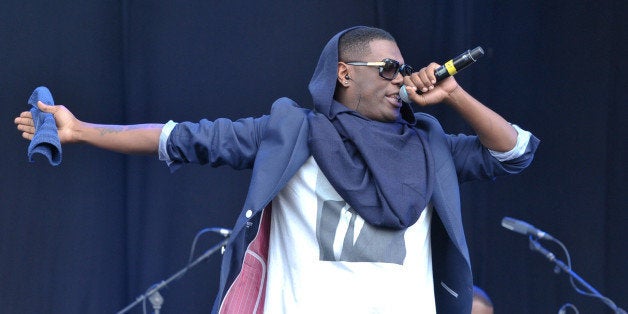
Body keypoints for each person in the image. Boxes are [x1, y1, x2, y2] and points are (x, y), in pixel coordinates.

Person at [15, 26, 538, 313]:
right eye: (388, 69)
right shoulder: (293, 133)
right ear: (343, 73)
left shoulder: (429, 145)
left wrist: (455, 95)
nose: (400, 79)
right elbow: (181, 137)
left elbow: (514, 152)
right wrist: (81, 130)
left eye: (403, 70)